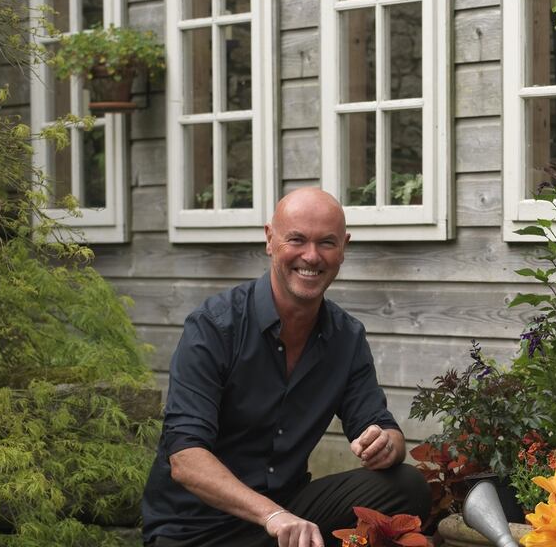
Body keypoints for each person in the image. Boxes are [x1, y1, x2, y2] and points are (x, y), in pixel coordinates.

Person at [141, 188, 430, 547]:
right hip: (196, 530)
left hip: (287, 516)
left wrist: (387, 445)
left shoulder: (346, 336)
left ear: (344, 247)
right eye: (296, 239)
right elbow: (185, 457)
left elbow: (380, 425)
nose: (311, 256)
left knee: (406, 486)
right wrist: (272, 515)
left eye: (327, 242)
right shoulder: (214, 327)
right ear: (270, 239)